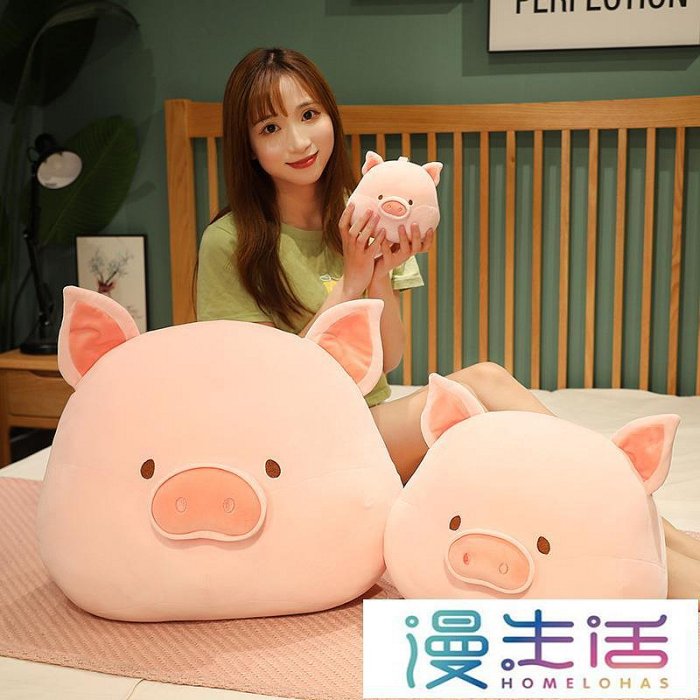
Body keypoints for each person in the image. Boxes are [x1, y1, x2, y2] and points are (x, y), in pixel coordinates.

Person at [196, 47, 699, 603]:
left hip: (370, 430)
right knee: (483, 382)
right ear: (248, 145)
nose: (298, 141)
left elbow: (388, 361)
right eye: (271, 127)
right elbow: (268, 392)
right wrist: (350, 281)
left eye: (309, 115)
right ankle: (641, 517)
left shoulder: (369, 209)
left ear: (331, 117)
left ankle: (663, 536)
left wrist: (380, 273)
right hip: (292, 451)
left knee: (524, 476)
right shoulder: (230, 243)